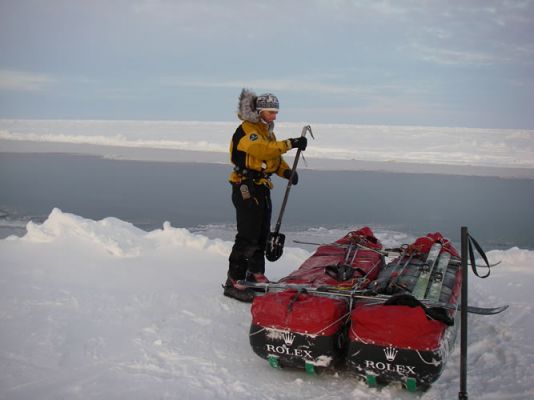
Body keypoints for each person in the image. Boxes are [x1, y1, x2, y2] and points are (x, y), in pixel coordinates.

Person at [223, 89, 307, 302]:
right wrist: (291, 143)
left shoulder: (266, 131)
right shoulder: (247, 131)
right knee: (247, 234)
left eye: (275, 112)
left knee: (261, 232)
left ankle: (255, 274)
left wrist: (285, 171)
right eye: (271, 112)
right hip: (245, 187)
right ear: (260, 111)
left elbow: (273, 158)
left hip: (261, 187)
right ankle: (234, 281)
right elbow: (263, 151)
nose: (275, 116)